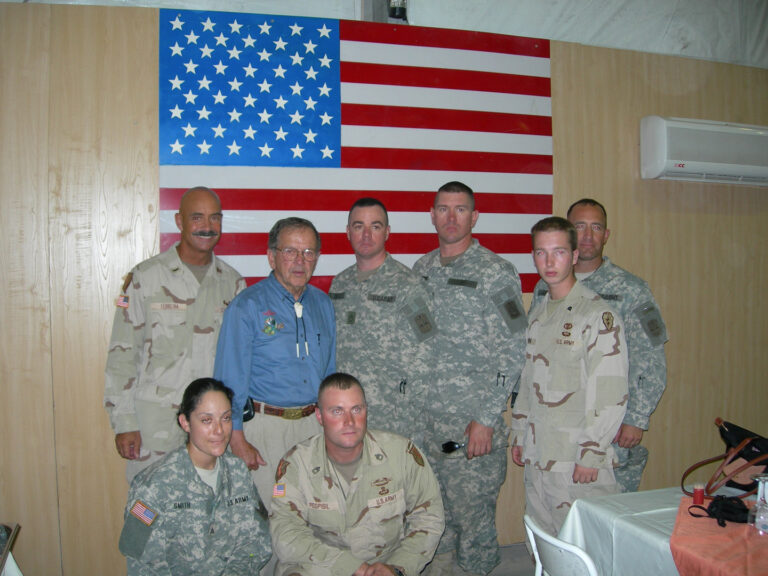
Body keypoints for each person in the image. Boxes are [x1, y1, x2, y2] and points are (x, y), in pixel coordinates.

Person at [412, 181, 526, 576]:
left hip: (471, 425)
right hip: (427, 423)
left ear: (474, 217)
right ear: (432, 214)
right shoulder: (421, 270)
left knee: (473, 525)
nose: (451, 217)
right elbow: (416, 340)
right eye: (443, 208)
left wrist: (488, 418)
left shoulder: (496, 272)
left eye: (460, 209)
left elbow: (514, 349)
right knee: (431, 521)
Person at [105, 186, 246, 481]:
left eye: (214, 218)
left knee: (206, 511)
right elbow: (122, 354)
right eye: (197, 218)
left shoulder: (232, 283)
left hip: (211, 428)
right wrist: (124, 421)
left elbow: (239, 360)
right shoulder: (146, 277)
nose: (207, 227)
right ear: (179, 221)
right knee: (148, 512)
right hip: (155, 427)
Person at [530, 199, 667, 492]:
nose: (588, 235)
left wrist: (637, 418)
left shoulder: (631, 289)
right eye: (580, 227)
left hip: (610, 423)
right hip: (560, 425)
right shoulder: (546, 287)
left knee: (605, 510)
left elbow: (650, 359)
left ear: (607, 235)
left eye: (596, 227)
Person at [511, 217, 628, 535]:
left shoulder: (595, 314)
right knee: (545, 548)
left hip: (576, 460)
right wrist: (521, 432)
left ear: (575, 256)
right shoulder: (539, 313)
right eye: (540, 253)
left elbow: (611, 391)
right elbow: (528, 381)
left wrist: (592, 453)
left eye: (559, 252)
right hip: (540, 457)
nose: (549, 262)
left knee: (584, 550)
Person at [214, 217, 336, 510]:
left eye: (308, 253)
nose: (300, 261)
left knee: (315, 514)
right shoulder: (247, 306)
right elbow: (229, 380)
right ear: (271, 257)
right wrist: (237, 439)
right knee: (274, 517)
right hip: (265, 431)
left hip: (313, 427)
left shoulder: (323, 304)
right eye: (290, 252)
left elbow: (330, 371)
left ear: (316, 259)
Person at [270, 372, 445, 576]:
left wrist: (398, 567)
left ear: (366, 411)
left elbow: (429, 518)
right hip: (321, 565)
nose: (349, 421)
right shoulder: (296, 464)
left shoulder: (401, 454)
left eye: (356, 409)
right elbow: (285, 532)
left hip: (385, 564)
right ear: (319, 416)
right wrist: (347, 566)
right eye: (337, 411)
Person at [119, 378, 271, 575]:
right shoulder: (153, 485)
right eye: (206, 420)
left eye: (225, 418)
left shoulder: (238, 472)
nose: (219, 430)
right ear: (185, 423)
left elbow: (256, 542)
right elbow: (141, 561)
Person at [330, 198, 436, 446]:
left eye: (375, 226)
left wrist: (407, 418)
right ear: (348, 232)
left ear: (387, 232)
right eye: (358, 226)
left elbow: (426, 355)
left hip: (393, 422)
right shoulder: (339, 284)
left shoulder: (409, 286)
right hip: (345, 418)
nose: (366, 235)